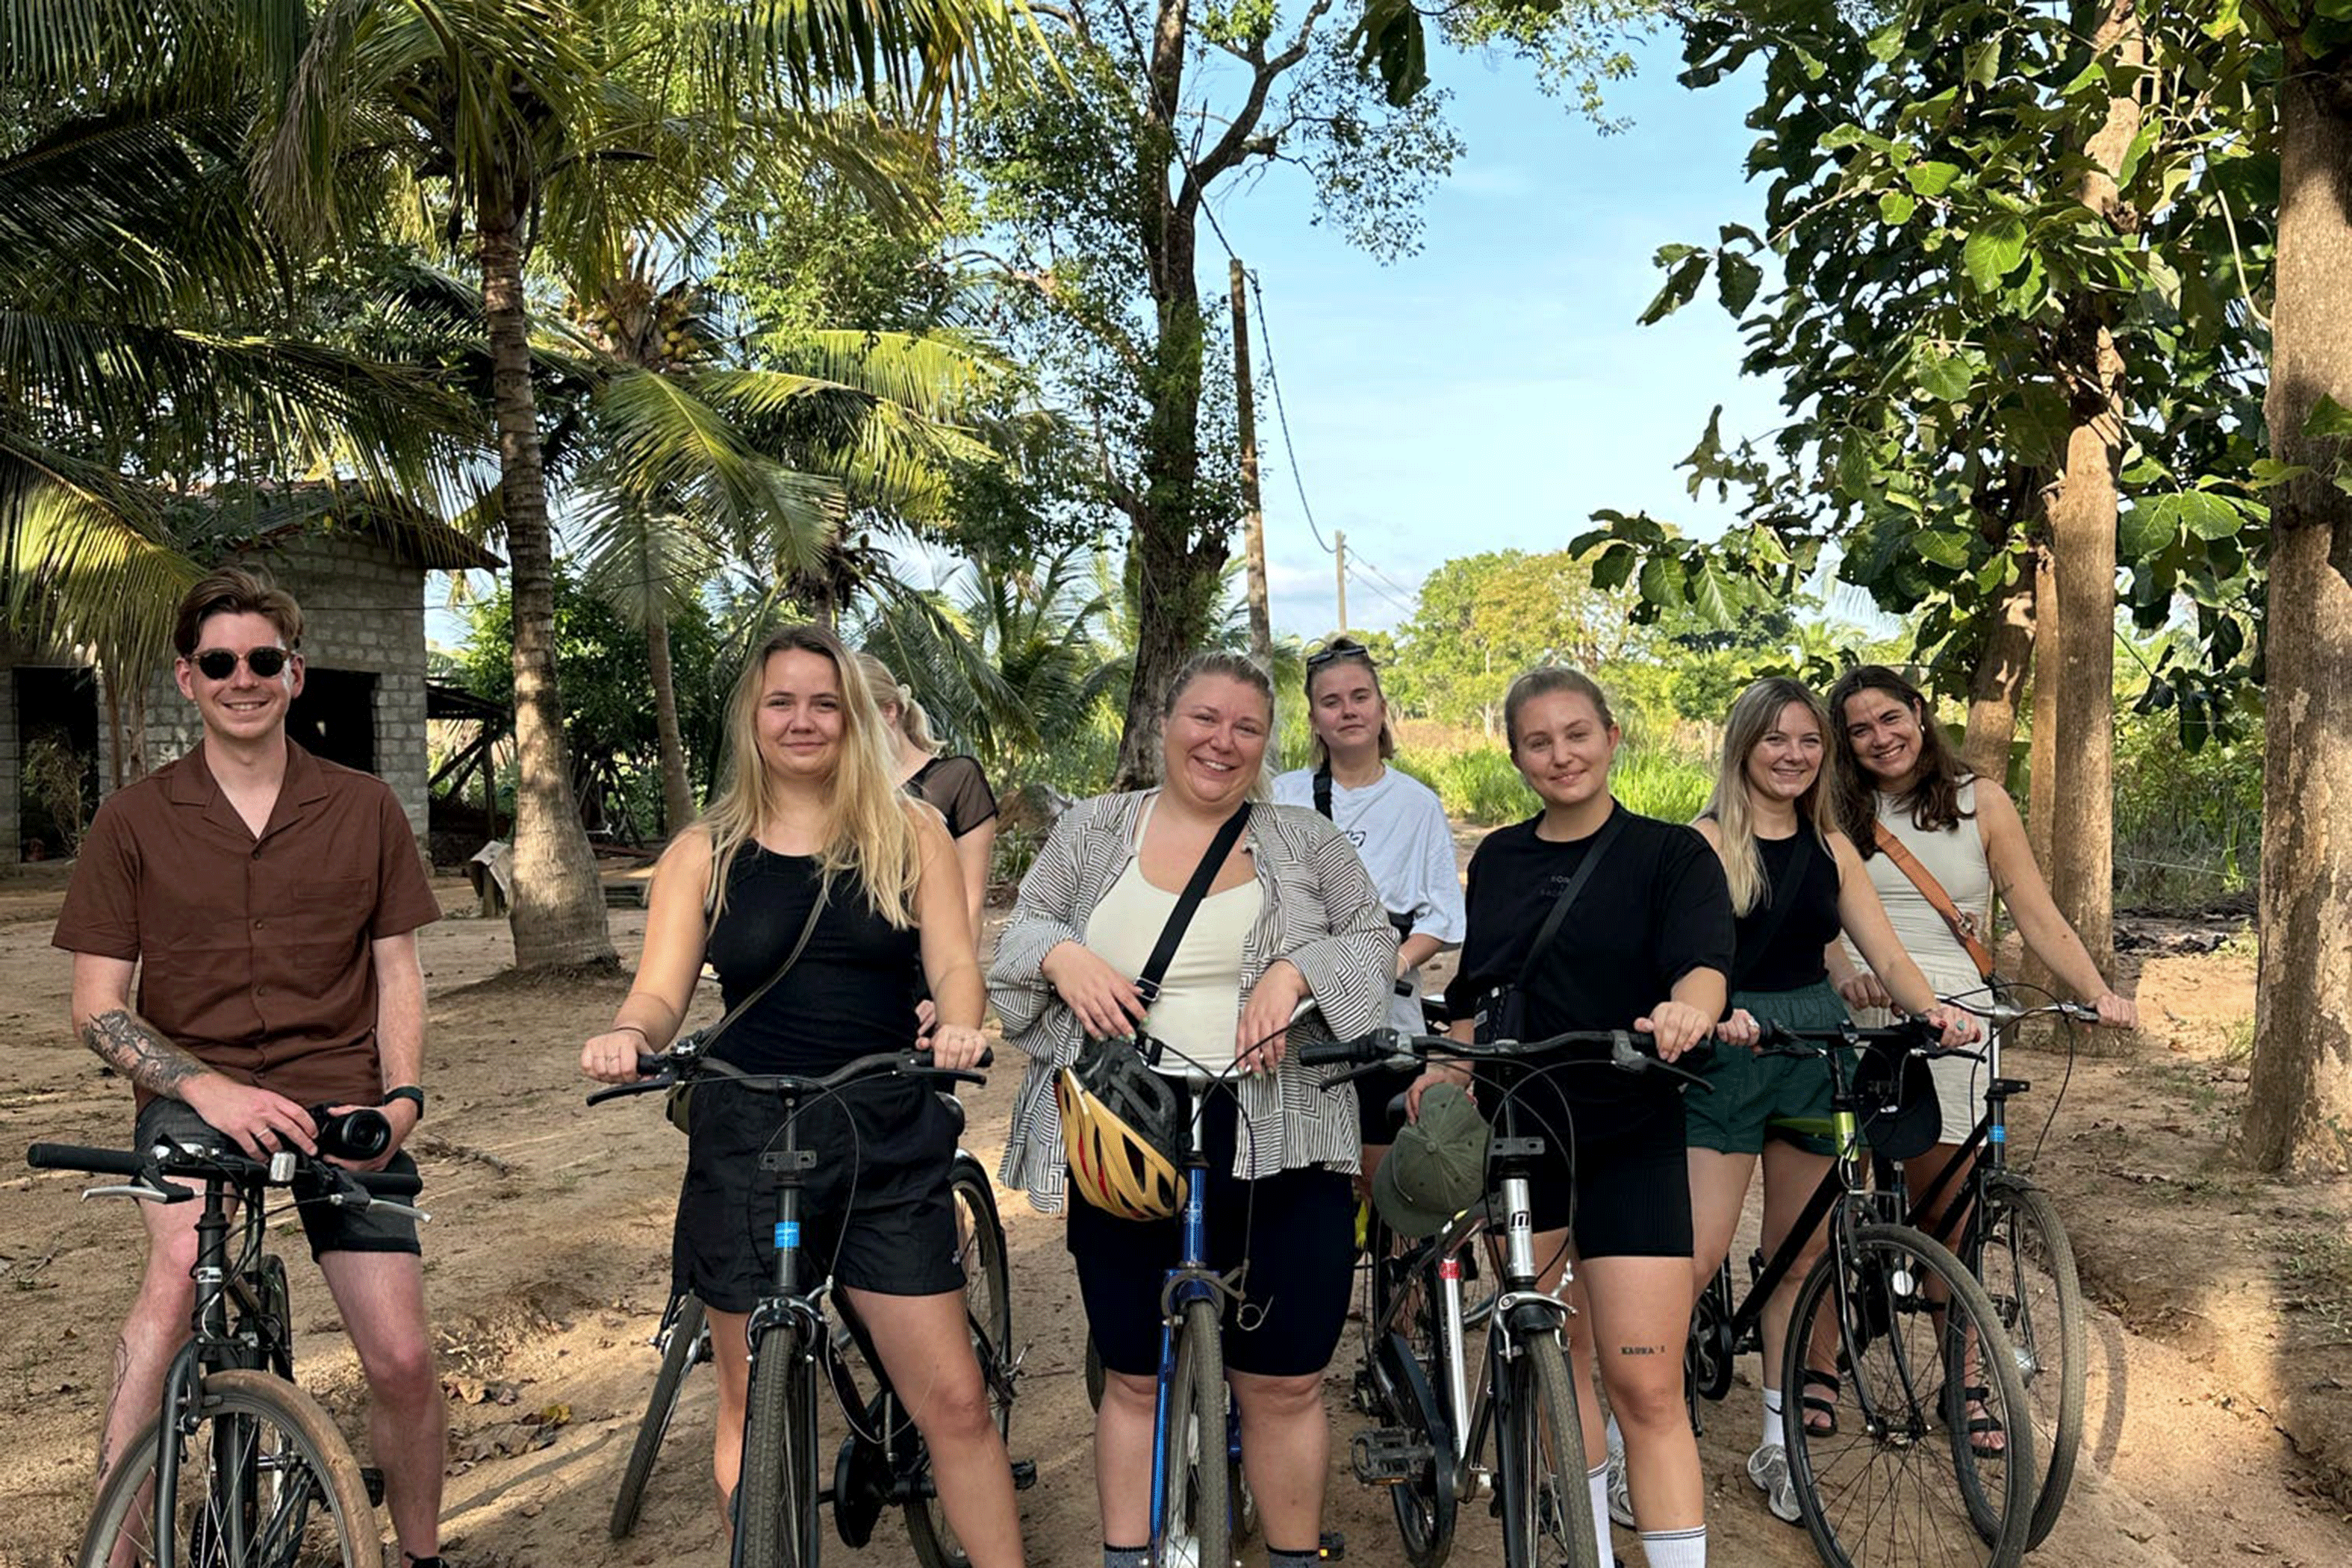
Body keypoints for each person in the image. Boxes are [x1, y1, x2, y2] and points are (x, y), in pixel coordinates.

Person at [580, 625, 1022, 1567]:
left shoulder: (911, 833)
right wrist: (631, 1034)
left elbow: (952, 960)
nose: (803, 720)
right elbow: (661, 990)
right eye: (781, 702)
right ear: (752, 717)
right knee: (748, 1399)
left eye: (825, 703)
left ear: (857, 717)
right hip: (747, 1127)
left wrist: (957, 1019)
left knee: (952, 1401)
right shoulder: (704, 851)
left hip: (883, 1125)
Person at [52, 567, 452, 1567]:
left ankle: (418, 1555)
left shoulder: (365, 809)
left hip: (341, 1097)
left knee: (401, 1358)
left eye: (263, 660)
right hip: (196, 1095)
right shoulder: (132, 820)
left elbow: (396, 972)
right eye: (219, 662)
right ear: (187, 679)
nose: (243, 678)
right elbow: (97, 1007)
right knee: (180, 1273)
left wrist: (400, 1098)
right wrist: (199, 1084)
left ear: (296, 674)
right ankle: (121, 1547)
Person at [990, 651, 1392, 1568]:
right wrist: (1064, 957)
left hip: (1282, 1126)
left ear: (1267, 745)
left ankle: (1289, 1553)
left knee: (1286, 1386)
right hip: (1127, 1129)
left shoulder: (1307, 842)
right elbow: (1022, 930)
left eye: (1246, 728)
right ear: (1167, 724)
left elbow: (1373, 945)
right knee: (1132, 1377)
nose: (1223, 742)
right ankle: (1128, 1556)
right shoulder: (1095, 830)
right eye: (1205, 719)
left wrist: (1297, 970)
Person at [1418, 666, 1729, 1568]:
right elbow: (1479, 990)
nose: (1561, 754)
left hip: (1632, 1127)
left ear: (1611, 737)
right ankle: (1587, 1547)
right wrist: (1450, 1061)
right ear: (1516, 756)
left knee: (1645, 1382)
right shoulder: (1504, 860)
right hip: (1521, 1135)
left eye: (1577, 733)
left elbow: (1704, 963)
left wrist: (1689, 1009)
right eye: (1539, 741)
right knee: (1558, 1354)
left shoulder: (1673, 855)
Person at [1681, 676, 1976, 1525]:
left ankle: (1779, 1441)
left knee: (1801, 1256)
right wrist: (1708, 1013)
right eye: (1775, 739)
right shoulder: (1700, 846)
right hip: (1726, 1046)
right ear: (1743, 746)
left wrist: (1933, 1012)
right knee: (1697, 1257)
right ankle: (1636, 1438)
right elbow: (1677, 957)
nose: (1794, 756)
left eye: (1809, 741)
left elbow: (1884, 954)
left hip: (1815, 1045)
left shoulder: (1832, 848)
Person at [1823, 665, 2137, 1457]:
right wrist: (1839, 968)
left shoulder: (1980, 801)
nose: (1879, 739)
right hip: (1863, 1011)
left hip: (1959, 1020)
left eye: (1891, 719)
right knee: (1837, 1200)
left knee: (1952, 1206)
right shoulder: (1829, 806)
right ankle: (1819, 1366)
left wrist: (2099, 992)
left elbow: (2034, 911)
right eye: (1859, 729)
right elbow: (1811, 910)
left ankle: (1963, 1376)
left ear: (1922, 716)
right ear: (1843, 741)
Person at [1271, 635, 1465, 1172]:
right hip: (1296, 1025)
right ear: (1313, 718)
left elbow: (1442, 918)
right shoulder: (1280, 797)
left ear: (1382, 708)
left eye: (1360, 697)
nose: (1347, 711)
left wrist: (1386, 966)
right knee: (1305, 1173)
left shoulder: (1417, 804)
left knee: (1388, 1183)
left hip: (1387, 1020)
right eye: (1331, 702)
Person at [858, 651, 999, 945]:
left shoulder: (958, 779)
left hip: (927, 966)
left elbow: (970, 903)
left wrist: (952, 986)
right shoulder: (841, 790)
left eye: (854, 715)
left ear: (889, 711)